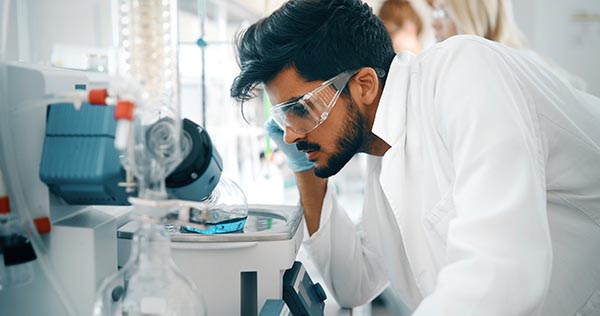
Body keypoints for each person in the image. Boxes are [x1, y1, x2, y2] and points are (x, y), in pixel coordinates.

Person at [230, 0, 600, 315]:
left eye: (300, 108)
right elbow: (353, 283)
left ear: (364, 85)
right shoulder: (383, 150)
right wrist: (305, 168)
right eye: (282, 116)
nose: (290, 133)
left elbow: (502, 273)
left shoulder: (464, 72)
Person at [429, 0, 588, 90]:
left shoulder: (498, 69)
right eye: (434, 12)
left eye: (444, 12)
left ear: (476, 16)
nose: (434, 23)